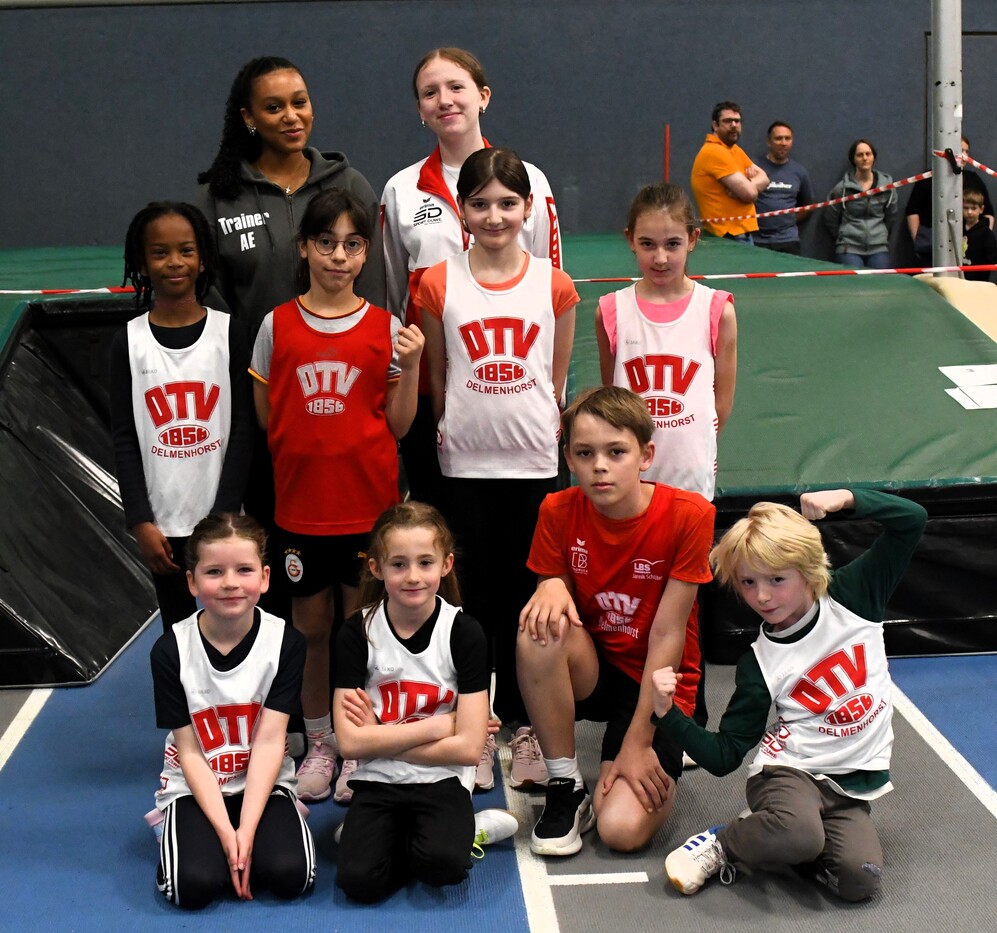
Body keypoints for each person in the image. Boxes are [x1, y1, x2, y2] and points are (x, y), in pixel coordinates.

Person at [652, 488, 926, 902]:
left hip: (848, 785)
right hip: (788, 772)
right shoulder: (759, 663)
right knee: (798, 832)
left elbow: (912, 519)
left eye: (777, 579)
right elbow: (726, 755)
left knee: (859, 881)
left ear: (808, 571)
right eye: (748, 582)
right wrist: (667, 714)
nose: (761, 596)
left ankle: (777, 832)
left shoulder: (854, 597)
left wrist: (847, 499)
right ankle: (725, 843)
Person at [196, 55, 384, 624]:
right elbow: (215, 303)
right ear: (248, 117)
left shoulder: (349, 185)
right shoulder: (221, 197)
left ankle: (357, 700)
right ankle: (291, 699)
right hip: (265, 406)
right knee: (280, 560)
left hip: (345, 411)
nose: (290, 115)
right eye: (273, 106)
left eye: (299, 101)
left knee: (354, 589)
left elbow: (372, 295)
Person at [250, 188, 424, 804]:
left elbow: (400, 426)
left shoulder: (388, 329)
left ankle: (358, 742)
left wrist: (416, 364)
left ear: (366, 253)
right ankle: (320, 740)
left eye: (353, 245)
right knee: (309, 626)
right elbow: (270, 419)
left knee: (359, 628)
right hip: (300, 510)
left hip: (368, 512)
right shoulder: (276, 325)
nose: (339, 256)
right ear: (305, 247)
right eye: (326, 243)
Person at [419, 147, 577, 790]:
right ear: (461, 209)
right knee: (473, 602)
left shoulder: (555, 284)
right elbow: (437, 378)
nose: (494, 215)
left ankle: (529, 728)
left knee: (528, 599)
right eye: (479, 203)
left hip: (535, 463)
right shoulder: (436, 281)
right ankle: (477, 728)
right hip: (462, 465)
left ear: (529, 208)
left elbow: (557, 380)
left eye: (507, 203)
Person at [517, 386, 715, 857]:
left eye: (616, 452)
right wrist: (550, 582)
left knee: (621, 831)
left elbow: (668, 634)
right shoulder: (557, 510)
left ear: (645, 455)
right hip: (597, 669)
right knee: (538, 629)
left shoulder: (690, 516)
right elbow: (551, 590)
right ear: (567, 457)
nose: (599, 466)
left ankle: (632, 755)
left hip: (660, 681)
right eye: (584, 453)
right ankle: (565, 785)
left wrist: (635, 744)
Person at [381, 47, 562, 514]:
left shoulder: (533, 183)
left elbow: (551, 292)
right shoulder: (400, 190)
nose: (444, 100)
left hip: (514, 397)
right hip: (429, 394)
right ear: (420, 108)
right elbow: (393, 298)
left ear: (483, 96)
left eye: (456, 87)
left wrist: (551, 398)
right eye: (430, 92)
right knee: (442, 532)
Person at [333, 502, 517, 903]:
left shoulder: (464, 633)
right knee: (359, 882)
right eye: (398, 564)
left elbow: (468, 749)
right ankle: (383, 836)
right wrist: (440, 725)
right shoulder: (356, 632)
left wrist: (379, 734)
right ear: (376, 568)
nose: (413, 576)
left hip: (443, 779)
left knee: (443, 867)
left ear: (446, 565)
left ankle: (467, 828)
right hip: (378, 778)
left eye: (425, 562)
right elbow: (348, 745)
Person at [150, 512, 315, 909]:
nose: (229, 583)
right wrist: (228, 834)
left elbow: (272, 741)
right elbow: (189, 751)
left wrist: (248, 828)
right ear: (191, 582)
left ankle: (257, 835)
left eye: (244, 570)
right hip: (195, 785)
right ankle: (180, 829)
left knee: (292, 876)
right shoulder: (171, 649)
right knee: (192, 887)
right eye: (214, 571)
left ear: (265, 577)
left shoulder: (285, 643)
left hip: (263, 780)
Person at [112, 201, 253, 632]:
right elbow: (123, 438)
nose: (174, 262)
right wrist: (140, 520)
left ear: (203, 257)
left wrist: (225, 516)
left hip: (222, 518)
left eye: (186, 250)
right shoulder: (129, 342)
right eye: (160, 252)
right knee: (176, 636)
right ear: (141, 261)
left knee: (232, 627)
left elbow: (245, 429)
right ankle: (181, 703)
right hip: (163, 526)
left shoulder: (229, 332)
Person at [595, 183, 737, 501]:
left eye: (673, 244)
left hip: (691, 476)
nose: (660, 258)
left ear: (693, 240)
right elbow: (613, 396)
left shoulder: (717, 310)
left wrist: (694, 443)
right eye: (648, 244)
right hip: (631, 480)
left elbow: (722, 404)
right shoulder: (611, 309)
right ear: (630, 239)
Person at [905, 135, 994, 267]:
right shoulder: (928, 178)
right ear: (949, 152)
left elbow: (988, 213)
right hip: (933, 245)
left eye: (966, 151)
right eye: (960, 150)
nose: (964, 155)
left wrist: (983, 239)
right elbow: (912, 211)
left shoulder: (974, 180)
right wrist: (918, 242)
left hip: (968, 250)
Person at [690, 101, 769, 241]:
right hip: (727, 237)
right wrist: (748, 187)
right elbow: (749, 194)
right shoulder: (715, 152)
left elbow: (765, 178)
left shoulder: (734, 150)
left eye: (737, 121)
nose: (734, 125)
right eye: (727, 121)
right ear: (715, 125)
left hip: (740, 234)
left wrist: (748, 183)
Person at [824, 139, 897, 269]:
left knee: (881, 287)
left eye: (868, 154)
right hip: (848, 248)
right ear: (853, 159)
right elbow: (831, 218)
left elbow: (891, 216)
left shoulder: (887, 187)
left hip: (878, 247)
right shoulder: (842, 189)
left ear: (873, 157)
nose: (864, 158)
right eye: (860, 155)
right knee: (853, 287)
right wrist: (844, 236)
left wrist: (881, 235)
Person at [754, 121, 816, 254]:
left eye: (787, 138)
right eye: (778, 138)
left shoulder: (799, 172)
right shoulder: (755, 169)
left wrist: (790, 220)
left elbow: (809, 206)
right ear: (769, 142)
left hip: (788, 240)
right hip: (757, 240)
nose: (783, 143)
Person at [963, 188, 997, 282]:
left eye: (973, 208)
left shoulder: (986, 234)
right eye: (966, 208)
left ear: (981, 209)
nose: (969, 212)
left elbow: (991, 262)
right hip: (959, 279)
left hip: (979, 282)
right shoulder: (957, 230)